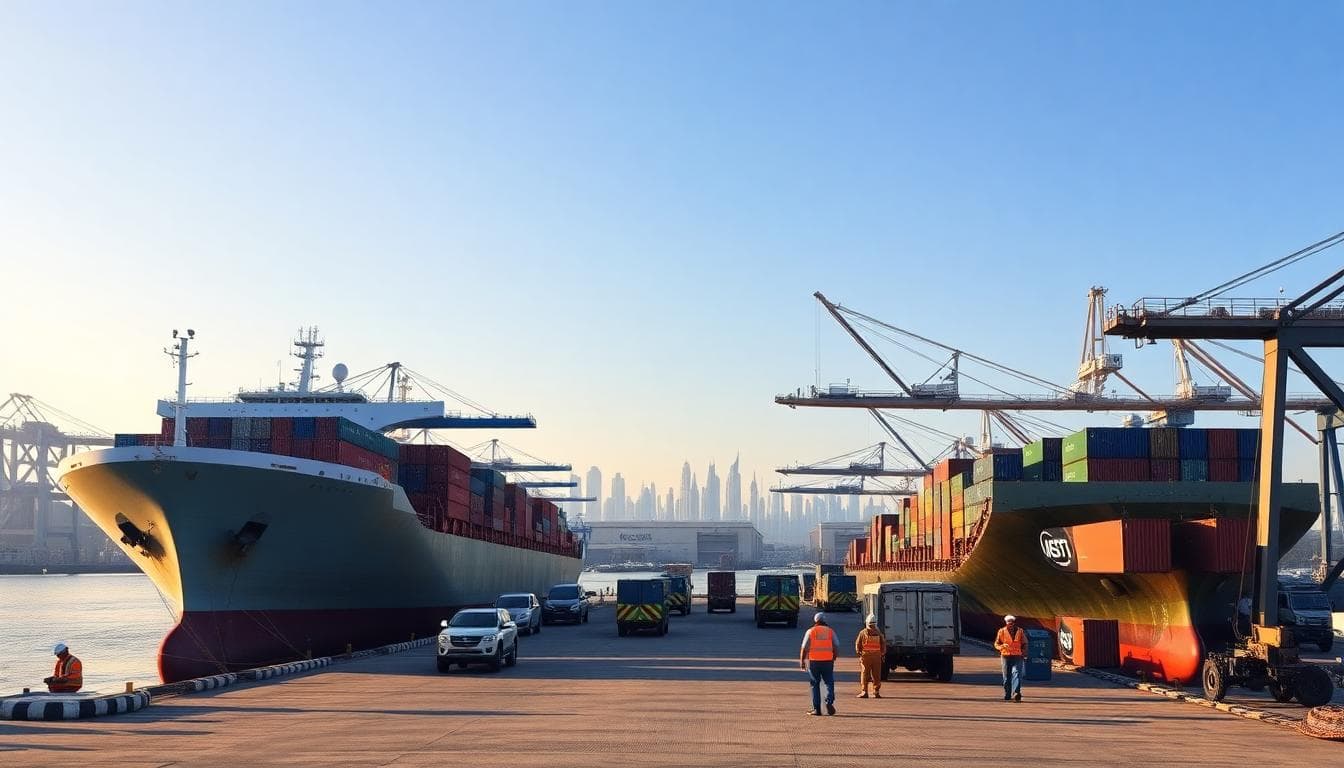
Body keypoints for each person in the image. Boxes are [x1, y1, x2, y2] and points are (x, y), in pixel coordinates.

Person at [799, 612, 838, 716]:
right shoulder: (830, 631)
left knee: (815, 684)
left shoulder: (810, 631)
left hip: (814, 662)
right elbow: (836, 645)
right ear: (824, 620)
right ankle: (829, 701)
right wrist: (834, 657)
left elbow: (804, 647)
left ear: (815, 621)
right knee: (829, 682)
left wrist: (802, 661)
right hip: (828, 662)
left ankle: (817, 709)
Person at [993, 615, 1025, 702]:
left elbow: (1024, 643)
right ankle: (1007, 694)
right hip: (1006, 656)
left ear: (1014, 622)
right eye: (1008, 622)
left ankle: (1016, 693)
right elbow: (996, 644)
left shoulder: (1020, 631)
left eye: (1012, 622)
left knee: (1017, 674)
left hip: (1017, 656)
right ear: (1006, 622)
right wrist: (1002, 646)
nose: (1010, 623)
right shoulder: (1001, 631)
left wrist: (1023, 653)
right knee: (1007, 676)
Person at [855, 613, 886, 698]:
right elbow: (883, 644)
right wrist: (882, 653)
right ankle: (875, 692)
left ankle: (865, 691)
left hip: (866, 657)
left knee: (866, 674)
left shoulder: (863, 633)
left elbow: (858, 644)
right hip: (876, 657)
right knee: (876, 675)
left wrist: (859, 653)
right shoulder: (879, 633)